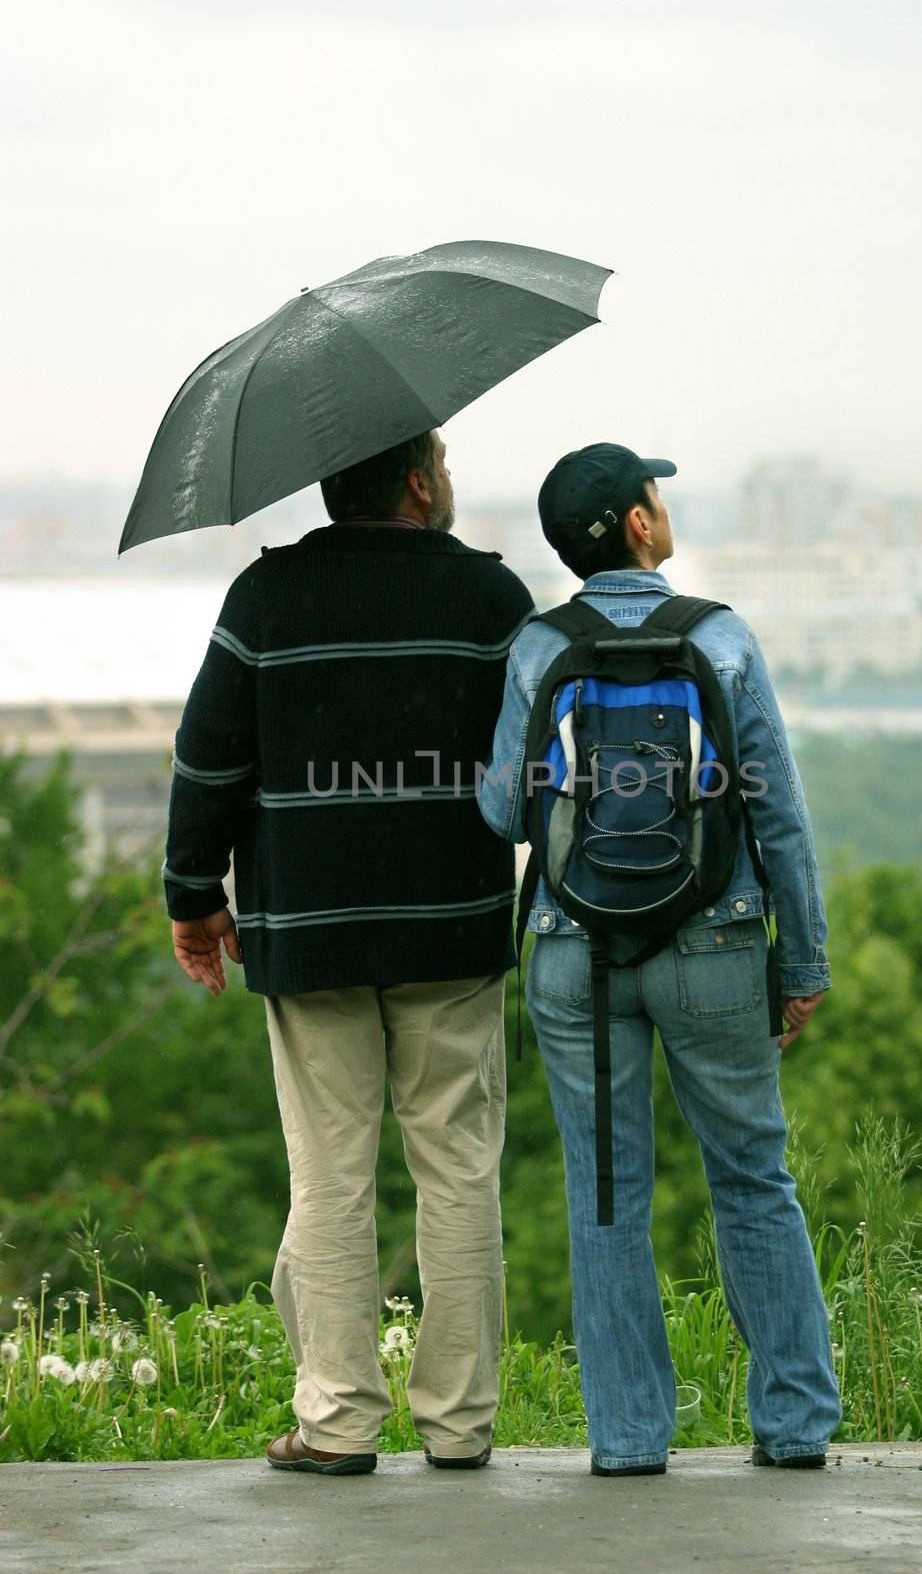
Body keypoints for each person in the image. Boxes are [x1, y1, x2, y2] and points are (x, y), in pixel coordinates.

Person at [163, 430, 534, 1475]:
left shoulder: (264, 600)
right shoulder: (490, 601)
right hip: (451, 926)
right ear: (418, 482)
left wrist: (194, 898)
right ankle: (458, 1427)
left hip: (310, 930)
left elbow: (206, 760)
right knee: (457, 1168)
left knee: (328, 1175)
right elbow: (538, 762)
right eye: (444, 462)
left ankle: (335, 1424)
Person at [477, 442, 841, 1477]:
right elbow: (777, 814)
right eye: (651, 493)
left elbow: (505, 807)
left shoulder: (537, 646)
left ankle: (630, 1438)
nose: (659, 503)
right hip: (715, 943)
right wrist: (799, 960)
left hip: (569, 955)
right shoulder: (718, 637)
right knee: (750, 1175)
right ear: (636, 525)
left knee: (603, 1193)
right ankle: (793, 1422)